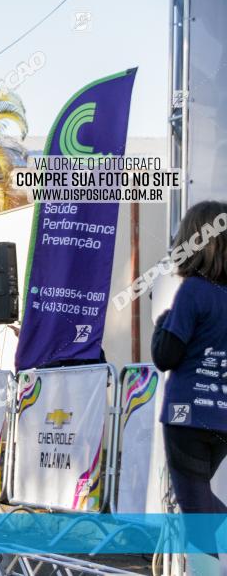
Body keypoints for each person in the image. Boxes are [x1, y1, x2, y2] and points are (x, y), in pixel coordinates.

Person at [151, 200, 227, 574]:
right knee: (198, 501)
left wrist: (162, 324)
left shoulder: (194, 291)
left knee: (196, 516)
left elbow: (166, 355)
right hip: (223, 423)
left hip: (187, 416)